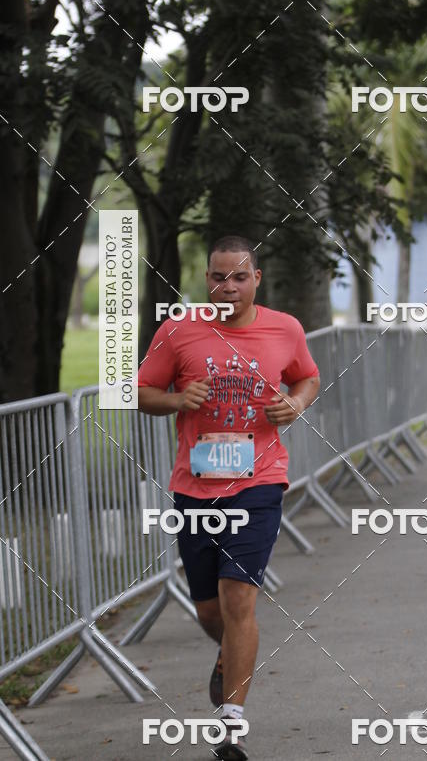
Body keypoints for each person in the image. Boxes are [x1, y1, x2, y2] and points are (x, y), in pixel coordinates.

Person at [138, 235, 320, 760]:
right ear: (206, 279)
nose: (228, 287)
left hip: (259, 481)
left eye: (239, 277)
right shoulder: (178, 331)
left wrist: (296, 403)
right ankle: (227, 656)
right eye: (218, 277)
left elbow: (307, 376)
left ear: (256, 280)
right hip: (194, 487)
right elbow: (142, 390)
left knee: (240, 599)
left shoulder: (284, 328)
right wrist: (175, 398)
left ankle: (231, 723)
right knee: (210, 612)